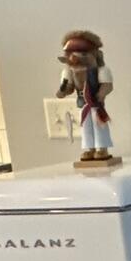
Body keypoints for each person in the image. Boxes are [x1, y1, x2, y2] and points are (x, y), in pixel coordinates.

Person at [56, 29, 115, 163]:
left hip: (95, 102)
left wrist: (101, 94)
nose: (75, 58)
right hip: (82, 102)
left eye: (82, 53)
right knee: (85, 126)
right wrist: (63, 90)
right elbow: (68, 89)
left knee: (98, 123)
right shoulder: (69, 72)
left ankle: (102, 148)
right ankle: (89, 148)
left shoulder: (101, 70)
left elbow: (107, 85)